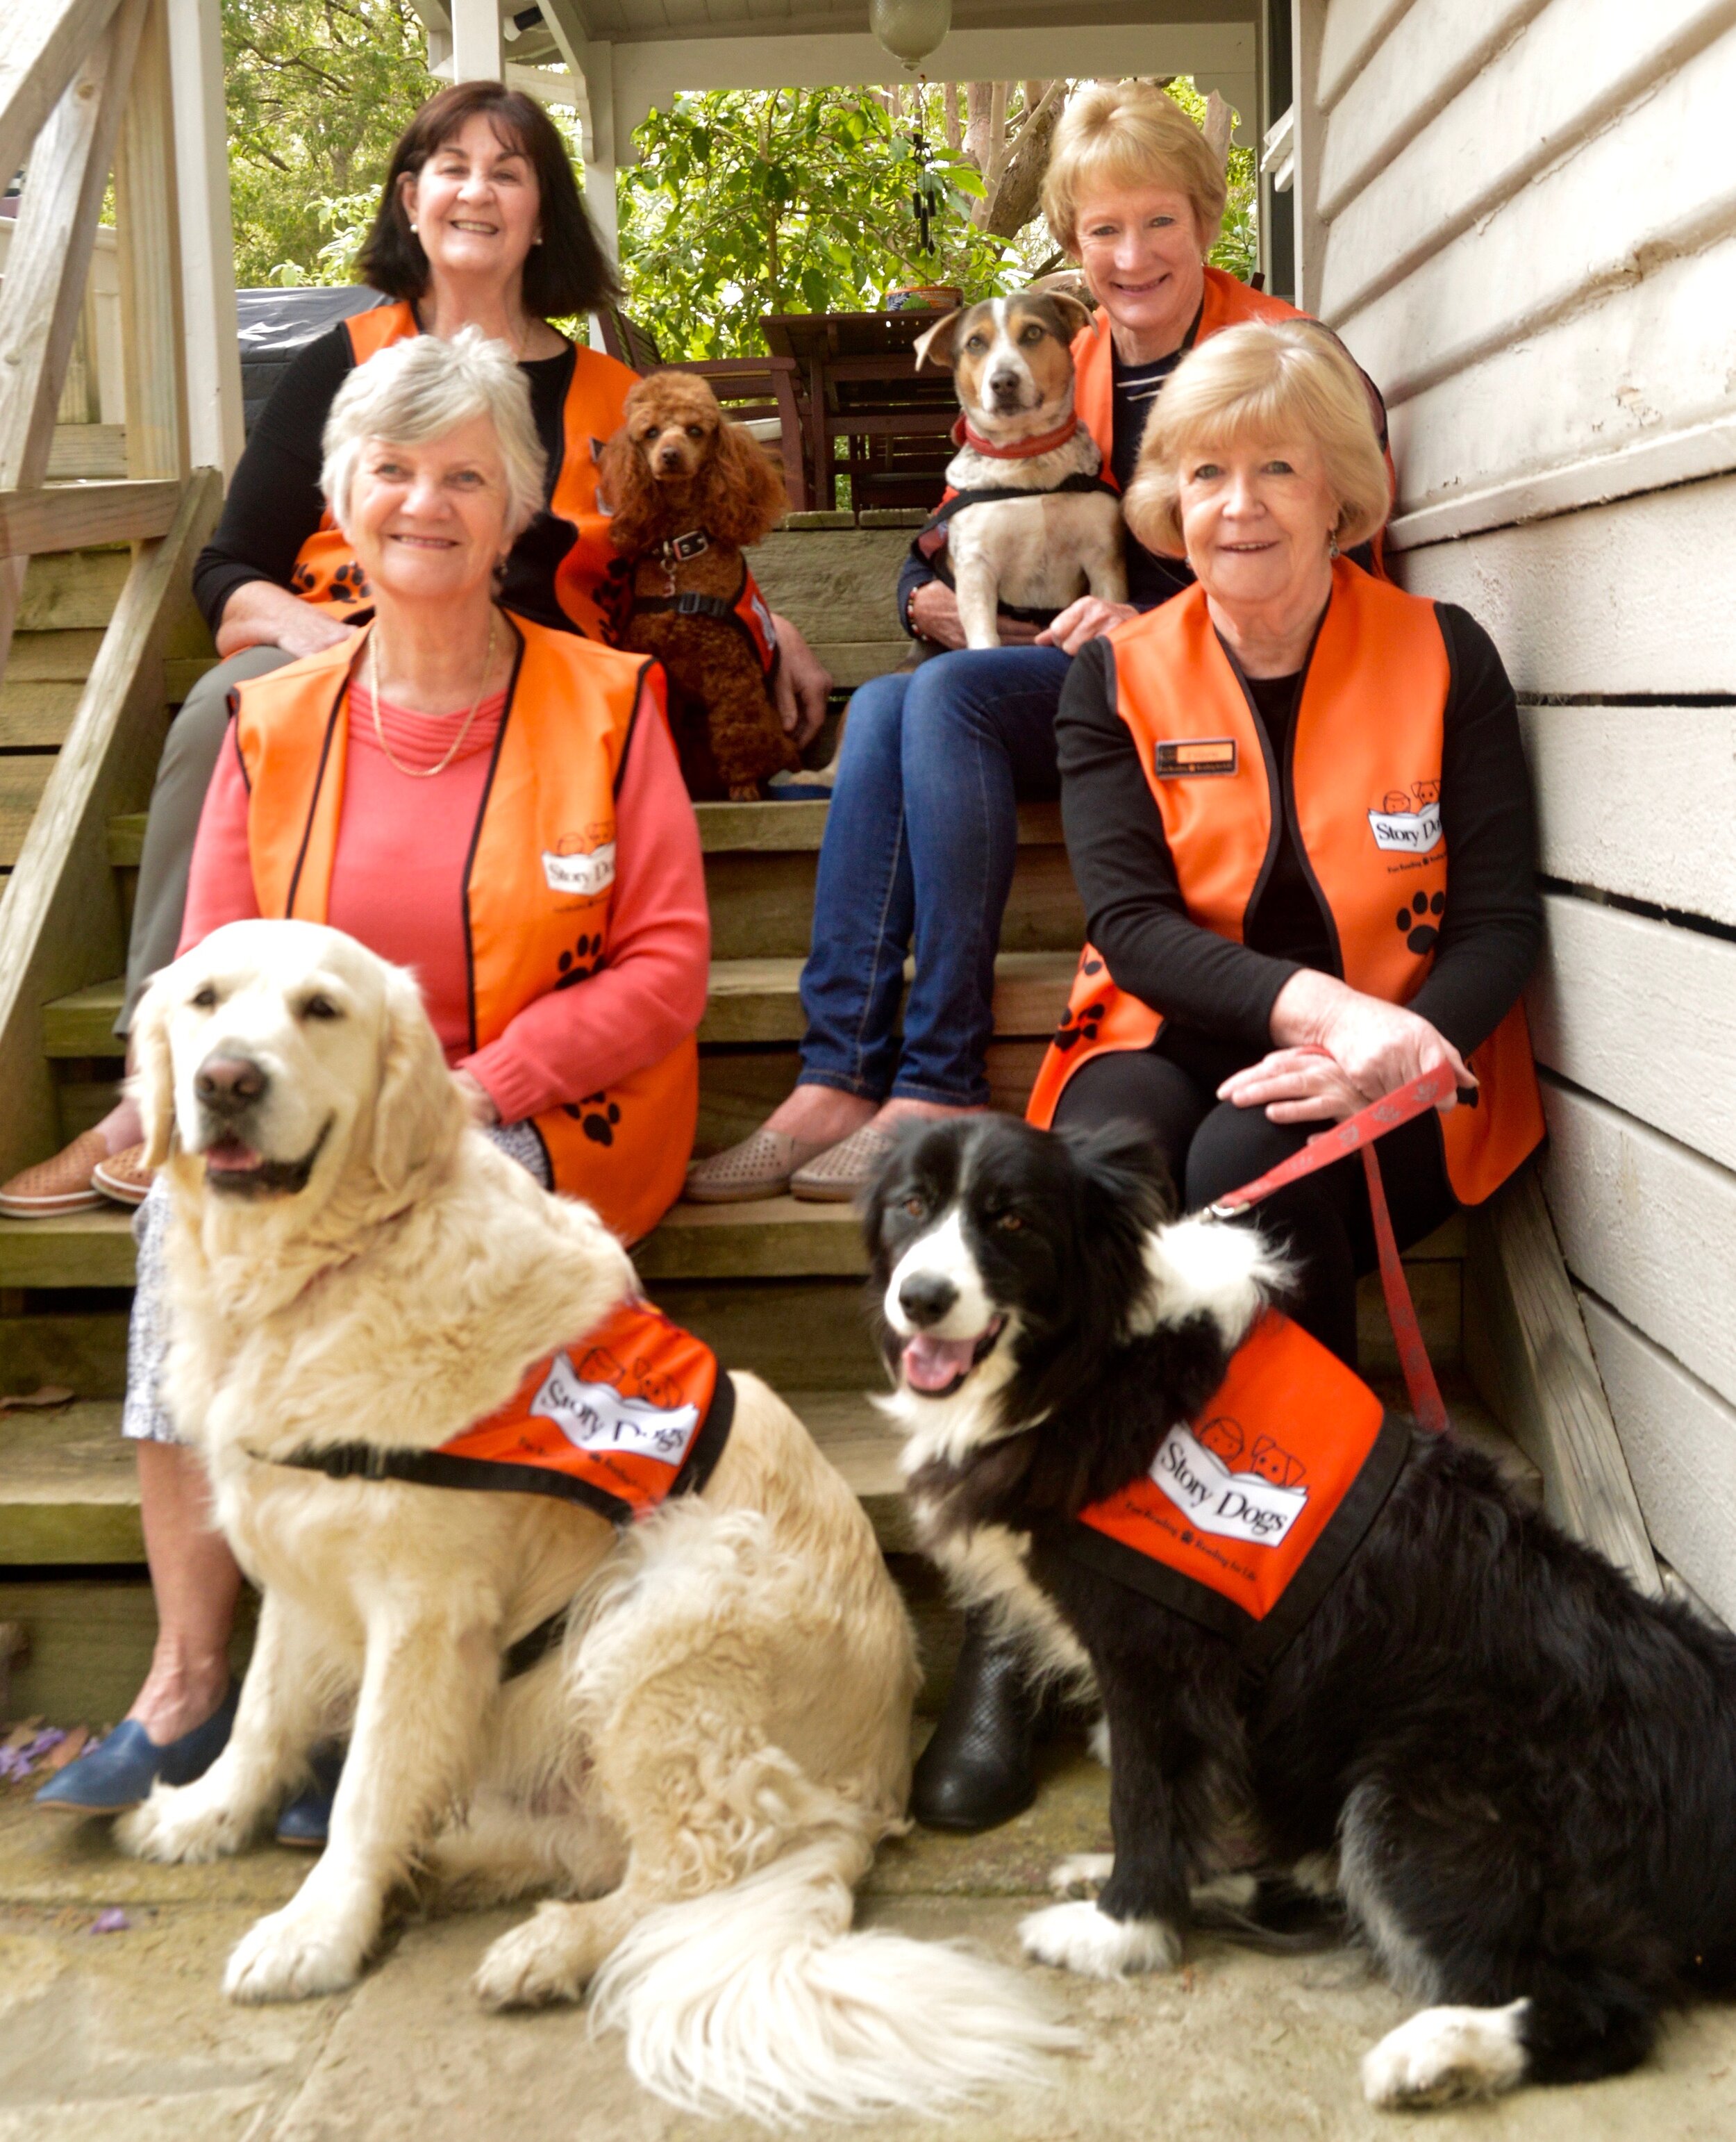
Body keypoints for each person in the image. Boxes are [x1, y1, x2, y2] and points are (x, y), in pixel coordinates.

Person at [37, 330, 709, 1826]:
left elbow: (665, 965)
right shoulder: (268, 722)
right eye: (392, 472)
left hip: (532, 1116)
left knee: (425, 1231)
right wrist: (180, 1111)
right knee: (179, 1235)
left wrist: (482, 1086)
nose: (426, 502)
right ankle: (194, 1679)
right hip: (298, 1116)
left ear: (521, 509)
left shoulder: (608, 699)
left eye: (465, 474)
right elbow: (208, 958)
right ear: (341, 498)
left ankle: (358, 1694)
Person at [914, 318, 1546, 1832]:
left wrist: (1394, 1049)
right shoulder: (1116, 670)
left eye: (1276, 468)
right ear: (1163, 501)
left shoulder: (1440, 652)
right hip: (1170, 1027)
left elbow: (1500, 918)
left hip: (1397, 1063)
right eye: (1204, 473)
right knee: (1085, 1201)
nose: (1238, 503)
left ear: (1342, 495)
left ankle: (1298, 1598)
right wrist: (1316, 1008)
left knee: (1238, 1191)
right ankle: (1028, 1632)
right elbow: (1129, 925)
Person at [0, 78, 827, 1219]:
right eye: (452, 165)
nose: (477, 190)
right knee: (224, 707)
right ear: (411, 197)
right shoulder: (343, 358)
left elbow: (678, 545)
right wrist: (320, 643)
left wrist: (766, 627)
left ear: (545, 214)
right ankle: (157, 1097)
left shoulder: (611, 394)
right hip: (345, 658)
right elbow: (226, 565)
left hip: (541, 694)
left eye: (508, 170)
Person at [685, 80, 1340, 1208]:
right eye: (1102, 231)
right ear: (1072, 246)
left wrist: (1152, 618)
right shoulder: (1057, 358)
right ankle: (837, 1073)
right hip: (1092, 678)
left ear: (1207, 218)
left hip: (1244, 688)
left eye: (1158, 223)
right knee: (892, 702)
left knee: (943, 704)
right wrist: (916, 602)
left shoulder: (1275, 352)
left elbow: (1334, 552)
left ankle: (937, 1075)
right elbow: (953, 532)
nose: (1130, 256)